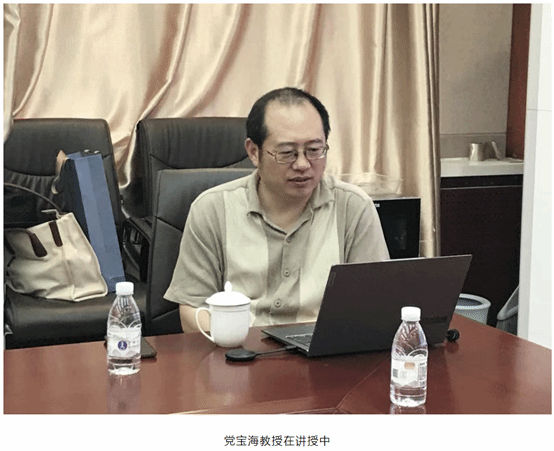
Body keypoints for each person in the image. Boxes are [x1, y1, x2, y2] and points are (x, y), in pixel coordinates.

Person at [165, 87, 389, 333]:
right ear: (254, 152)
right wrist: (236, 341)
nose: (302, 164)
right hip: (239, 349)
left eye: (314, 150)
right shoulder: (212, 209)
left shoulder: (354, 207)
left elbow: (374, 305)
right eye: (287, 153)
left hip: (323, 349)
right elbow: (192, 310)